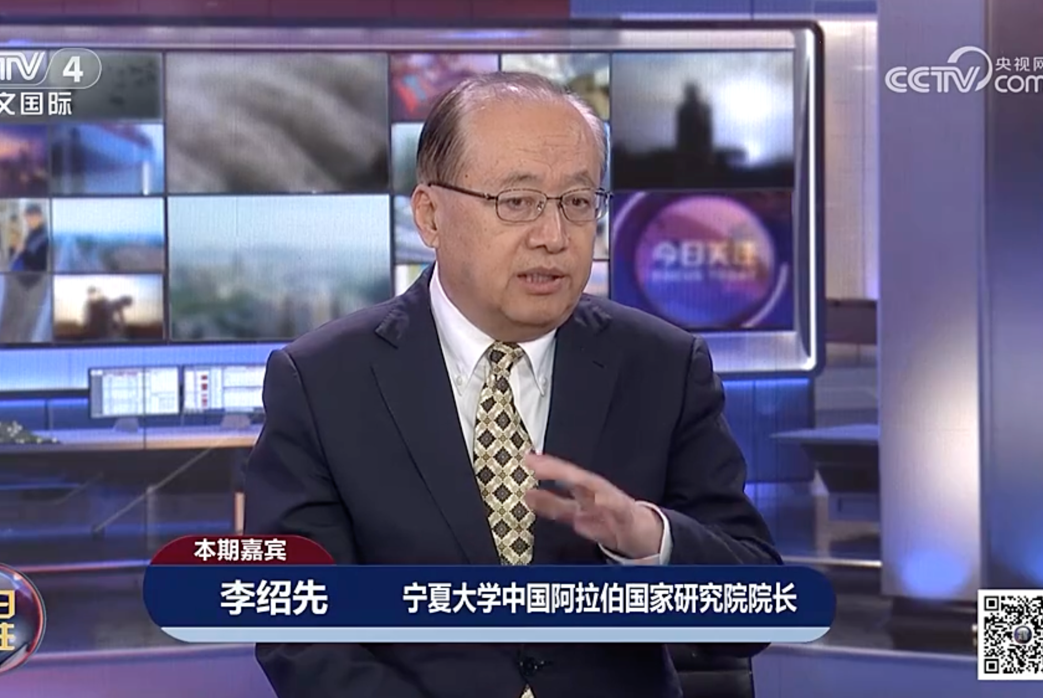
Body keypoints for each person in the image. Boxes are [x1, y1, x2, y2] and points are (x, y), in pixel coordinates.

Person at [244, 72, 779, 698]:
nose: (553, 236)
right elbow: (299, 627)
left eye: (577, 202)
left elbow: (755, 609)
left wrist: (650, 543)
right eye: (517, 202)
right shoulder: (323, 381)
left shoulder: (663, 366)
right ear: (430, 215)